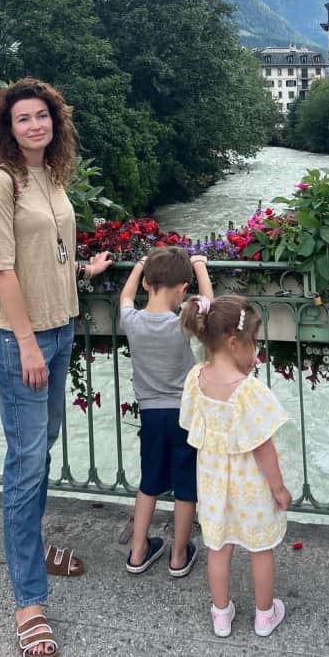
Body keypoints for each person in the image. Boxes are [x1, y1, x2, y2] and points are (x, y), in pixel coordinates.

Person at [0, 77, 112, 657]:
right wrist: (27, 343)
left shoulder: (52, 177)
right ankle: (29, 602)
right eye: (23, 118)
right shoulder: (3, 183)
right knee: (26, 462)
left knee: (41, 450)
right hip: (23, 340)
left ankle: (31, 552)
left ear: (54, 122)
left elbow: (47, 251)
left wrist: (84, 270)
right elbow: (1, 267)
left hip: (60, 328)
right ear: (8, 129)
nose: (35, 125)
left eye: (42, 116)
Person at [179, 295, 291, 639]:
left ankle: (221, 614)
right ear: (233, 343)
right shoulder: (249, 391)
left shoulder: (196, 378)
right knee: (260, 550)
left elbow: (191, 425)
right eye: (252, 342)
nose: (255, 349)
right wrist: (278, 488)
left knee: (218, 548)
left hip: (213, 483)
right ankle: (264, 615)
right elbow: (263, 447)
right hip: (250, 485)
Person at [119, 246, 213, 578]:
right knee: (185, 487)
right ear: (183, 289)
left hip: (151, 415)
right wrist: (200, 266)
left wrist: (139, 265)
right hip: (184, 416)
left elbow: (125, 297)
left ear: (147, 284)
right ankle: (178, 556)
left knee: (149, 483)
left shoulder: (132, 321)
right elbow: (209, 306)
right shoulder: (181, 323)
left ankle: (138, 551)